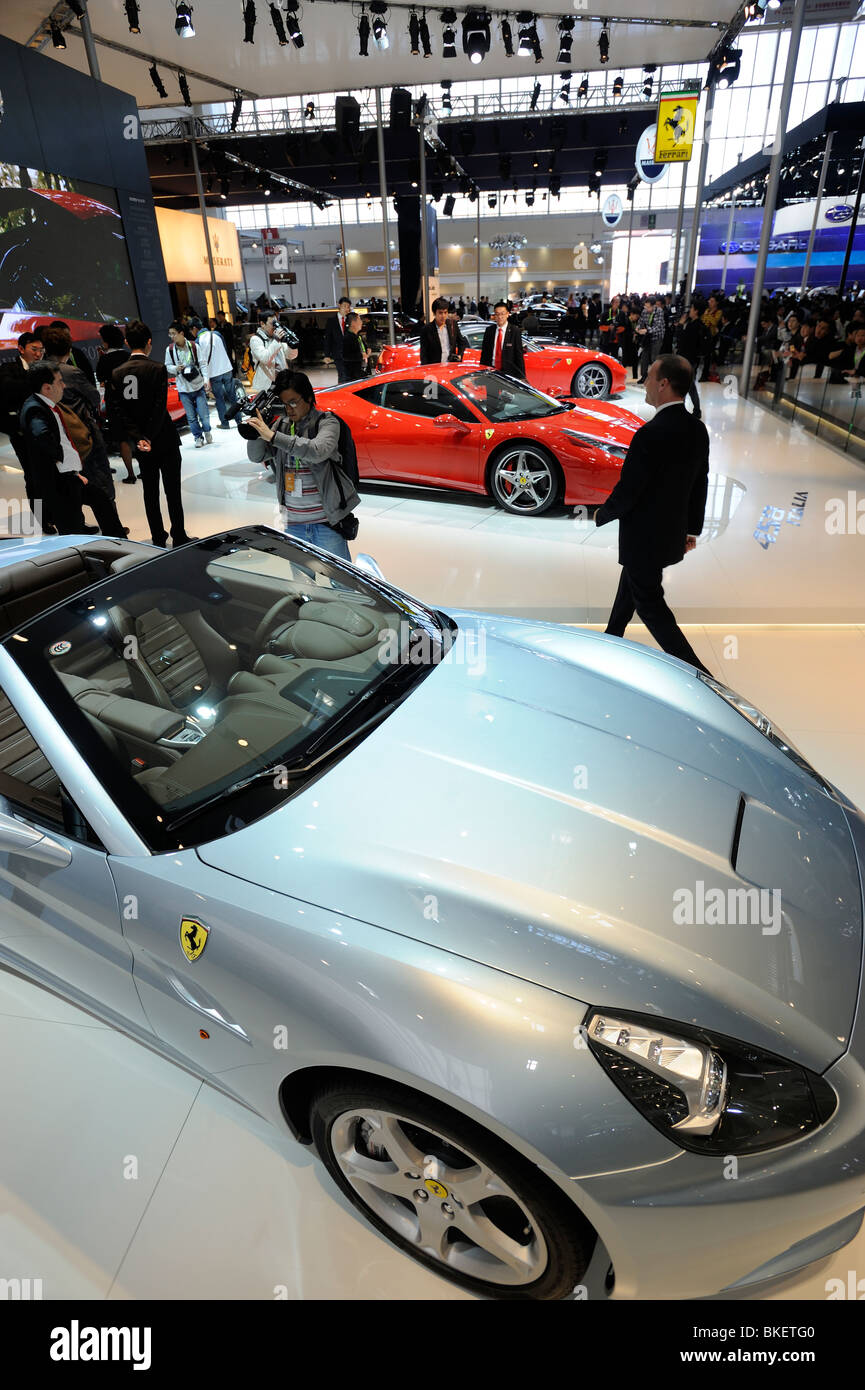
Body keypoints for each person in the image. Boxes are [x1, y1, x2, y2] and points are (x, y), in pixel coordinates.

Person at [595, 355, 710, 675]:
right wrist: (692, 530)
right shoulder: (697, 430)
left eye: (648, 376)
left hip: (644, 538)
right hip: (669, 535)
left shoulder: (650, 434)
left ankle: (699, 675)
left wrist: (603, 514)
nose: (643, 382)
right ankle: (611, 636)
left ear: (663, 384)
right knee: (631, 583)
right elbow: (700, 483)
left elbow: (630, 489)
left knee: (651, 606)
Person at [245, 369, 360, 561]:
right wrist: (256, 431)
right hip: (293, 524)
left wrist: (273, 437)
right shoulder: (281, 425)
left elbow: (317, 451)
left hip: (327, 523)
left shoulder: (327, 422)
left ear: (308, 398)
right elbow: (256, 456)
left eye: (293, 402)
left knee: (340, 586)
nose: (289, 409)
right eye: (284, 404)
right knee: (302, 584)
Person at [18, 364, 123, 537]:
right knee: (71, 532)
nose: (64, 386)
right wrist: (66, 469)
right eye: (59, 382)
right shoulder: (35, 409)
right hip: (59, 484)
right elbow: (42, 437)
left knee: (101, 500)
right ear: (47, 387)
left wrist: (72, 472)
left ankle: (118, 541)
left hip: (68, 478)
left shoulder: (43, 404)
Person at [40, 324, 126, 534]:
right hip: (83, 435)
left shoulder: (37, 371)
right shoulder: (70, 372)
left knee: (68, 485)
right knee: (101, 485)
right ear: (68, 349)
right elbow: (95, 397)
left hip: (55, 439)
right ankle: (113, 532)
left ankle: (76, 531)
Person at [114, 320, 191, 548]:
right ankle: (179, 535)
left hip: (141, 444)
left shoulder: (117, 373)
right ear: (149, 342)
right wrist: (149, 435)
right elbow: (160, 408)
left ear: (127, 342)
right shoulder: (157, 368)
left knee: (150, 493)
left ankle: (158, 537)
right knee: (172, 491)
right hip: (163, 439)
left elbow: (120, 411)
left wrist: (139, 437)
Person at [0, 332, 45, 483]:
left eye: (41, 350)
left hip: (45, 426)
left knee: (46, 472)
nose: (38, 354)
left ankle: (48, 506)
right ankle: (38, 507)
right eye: (34, 349)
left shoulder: (45, 369)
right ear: (21, 349)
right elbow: (8, 388)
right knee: (31, 473)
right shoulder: (9, 368)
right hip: (21, 428)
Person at [96, 323, 135, 484]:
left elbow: (100, 378)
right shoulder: (128, 356)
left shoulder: (105, 360)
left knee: (122, 438)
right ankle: (145, 470)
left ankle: (131, 474)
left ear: (106, 341)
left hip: (115, 403)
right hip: (133, 400)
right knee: (137, 434)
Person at [165, 320, 211, 447]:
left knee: (204, 416)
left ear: (181, 333)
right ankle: (198, 437)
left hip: (198, 384)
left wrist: (206, 379)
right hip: (183, 388)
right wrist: (175, 368)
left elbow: (202, 363)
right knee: (191, 417)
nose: (172, 337)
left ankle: (207, 431)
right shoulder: (169, 350)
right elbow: (167, 366)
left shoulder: (194, 346)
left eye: (174, 334)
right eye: (170, 334)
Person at [195, 320, 236, 429]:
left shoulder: (198, 341)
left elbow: (200, 360)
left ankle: (225, 423)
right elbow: (225, 349)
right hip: (226, 368)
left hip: (214, 372)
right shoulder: (217, 334)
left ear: (195, 329)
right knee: (233, 396)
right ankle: (239, 421)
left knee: (219, 399)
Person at [249, 311, 297, 393]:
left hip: (283, 381)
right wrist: (276, 340)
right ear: (262, 324)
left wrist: (292, 345)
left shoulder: (276, 338)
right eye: (272, 324)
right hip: (267, 385)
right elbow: (265, 359)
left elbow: (291, 356)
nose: (275, 327)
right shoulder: (255, 340)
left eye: (276, 323)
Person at [676, 305, 708, 418]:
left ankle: (693, 410)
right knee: (688, 384)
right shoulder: (698, 325)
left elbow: (681, 339)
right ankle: (691, 409)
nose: (690, 311)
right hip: (692, 359)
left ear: (696, 311)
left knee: (687, 385)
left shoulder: (693, 326)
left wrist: (680, 325)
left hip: (687, 358)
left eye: (692, 309)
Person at [480, 301, 526, 379]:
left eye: (502, 314)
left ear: (508, 314)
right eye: (497, 314)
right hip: (491, 373)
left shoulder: (515, 331)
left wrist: (522, 376)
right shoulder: (489, 331)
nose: (500, 317)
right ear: (494, 316)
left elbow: (519, 356)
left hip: (509, 374)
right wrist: (482, 371)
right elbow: (484, 354)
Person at [419, 297, 468, 365]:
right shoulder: (426, 329)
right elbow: (423, 354)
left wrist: (460, 355)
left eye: (445, 312)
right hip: (434, 368)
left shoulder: (452, 325)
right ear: (434, 313)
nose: (443, 316)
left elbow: (462, 342)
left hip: (450, 367)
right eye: (440, 313)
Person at [635, 296, 666, 383]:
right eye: (645, 306)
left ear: (654, 306)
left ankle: (655, 378)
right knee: (644, 357)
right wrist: (638, 328)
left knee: (654, 358)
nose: (646, 308)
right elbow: (640, 322)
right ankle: (644, 376)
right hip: (647, 338)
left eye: (648, 307)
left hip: (657, 337)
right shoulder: (644, 311)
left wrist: (646, 330)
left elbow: (658, 327)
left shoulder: (659, 311)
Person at [324, 297, 352, 382]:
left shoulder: (351, 320)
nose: (346, 309)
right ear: (339, 305)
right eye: (344, 306)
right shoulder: (331, 321)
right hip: (338, 354)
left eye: (348, 307)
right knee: (342, 374)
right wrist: (327, 355)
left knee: (350, 375)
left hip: (350, 354)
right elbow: (328, 338)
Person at [341, 313, 369, 381]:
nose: (362, 322)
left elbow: (363, 351)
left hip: (361, 373)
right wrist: (361, 356)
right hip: (353, 376)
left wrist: (367, 351)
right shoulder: (348, 338)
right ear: (353, 323)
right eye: (359, 319)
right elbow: (346, 356)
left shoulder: (358, 336)